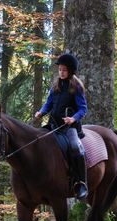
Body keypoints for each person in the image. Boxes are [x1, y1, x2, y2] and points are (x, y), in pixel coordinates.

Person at [35, 53, 88, 200]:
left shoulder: (76, 87)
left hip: (69, 127)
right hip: (53, 124)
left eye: (64, 70)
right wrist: (41, 112)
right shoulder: (55, 86)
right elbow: (49, 103)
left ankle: (81, 183)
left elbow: (83, 109)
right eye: (60, 70)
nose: (61, 72)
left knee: (76, 148)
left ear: (71, 71)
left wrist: (73, 119)